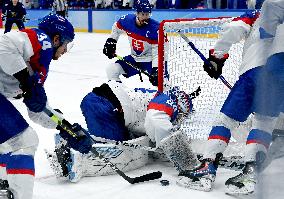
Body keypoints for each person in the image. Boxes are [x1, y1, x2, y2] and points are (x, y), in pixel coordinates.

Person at [176, 6, 279, 194]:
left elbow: (233, 29)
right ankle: (251, 171)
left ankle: (207, 167)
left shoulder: (257, 14)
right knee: (263, 122)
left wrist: (217, 57)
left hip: (254, 72)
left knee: (225, 120)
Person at [46, 80, 200, 182]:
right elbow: (156, 120)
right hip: (105, 107)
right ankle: (72, 159)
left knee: (115, 140)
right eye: (182, 115)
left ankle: (70, 137)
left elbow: (146, 130)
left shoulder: (157, 97)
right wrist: (184, 159)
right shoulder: (168, 100)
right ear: (180, 107)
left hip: (100, 103)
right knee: (118, 151)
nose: (180, 119)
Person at [0, 14, 75, 199]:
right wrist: (25, 80)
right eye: (66, 43)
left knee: (7, 143)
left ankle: (3, 187)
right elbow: (3, 45)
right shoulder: (42, 40)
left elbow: (37, 109)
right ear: (56, 38)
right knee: (24, 141)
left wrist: (65, 126)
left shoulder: (41, 59)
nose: (65, 50)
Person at [103, 0, 160, 86]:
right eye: (143, 14)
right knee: (111, 69)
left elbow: (157, 53)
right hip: (134, 58)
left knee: (161, 81)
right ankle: (120, 95)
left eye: (147, 14)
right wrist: (111, 41)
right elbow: (116, 26)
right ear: (136, 13)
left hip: (150, 60)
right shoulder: (127, 20)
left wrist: (156, 69)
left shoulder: (155, 28)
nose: (145, 17)